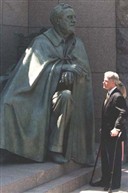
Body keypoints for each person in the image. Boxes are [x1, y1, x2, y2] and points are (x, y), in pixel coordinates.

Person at [0, 3, 95, 165]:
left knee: (65, 97)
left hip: (58, 94)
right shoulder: (41, 42)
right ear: (57, 21)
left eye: (75, 18)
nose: (74, 21)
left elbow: (83, 72)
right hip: (34, 94)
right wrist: (62, 68)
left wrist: (70, 74)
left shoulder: (76, 44)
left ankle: (54, 148)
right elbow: (30, 72)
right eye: (69, 18)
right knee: (8, 103)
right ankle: (8, 149)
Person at [91, 71, 128, 190]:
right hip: (106, 133)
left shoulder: (117, 96)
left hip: (114, 135)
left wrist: (116, 128)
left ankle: (114, 184)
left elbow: (123, 113)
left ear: (112, 82)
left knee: (114, 160)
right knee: (106, 160)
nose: (103, 82)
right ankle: (105, 180)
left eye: (105, 80)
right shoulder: (109, 95)